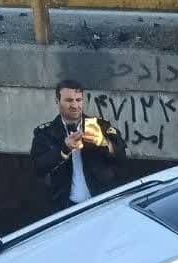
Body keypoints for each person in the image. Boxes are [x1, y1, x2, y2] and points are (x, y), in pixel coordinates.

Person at [29, 79, 127, 211]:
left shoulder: (100, 125)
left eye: (78, 100)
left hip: (102, 201)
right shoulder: (45, 133)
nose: (75, 105)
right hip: (65, 206)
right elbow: (38, 168)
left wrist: (104, 143)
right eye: (69, 100)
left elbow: (122, 157)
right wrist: (64, 150)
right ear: (57, 101)